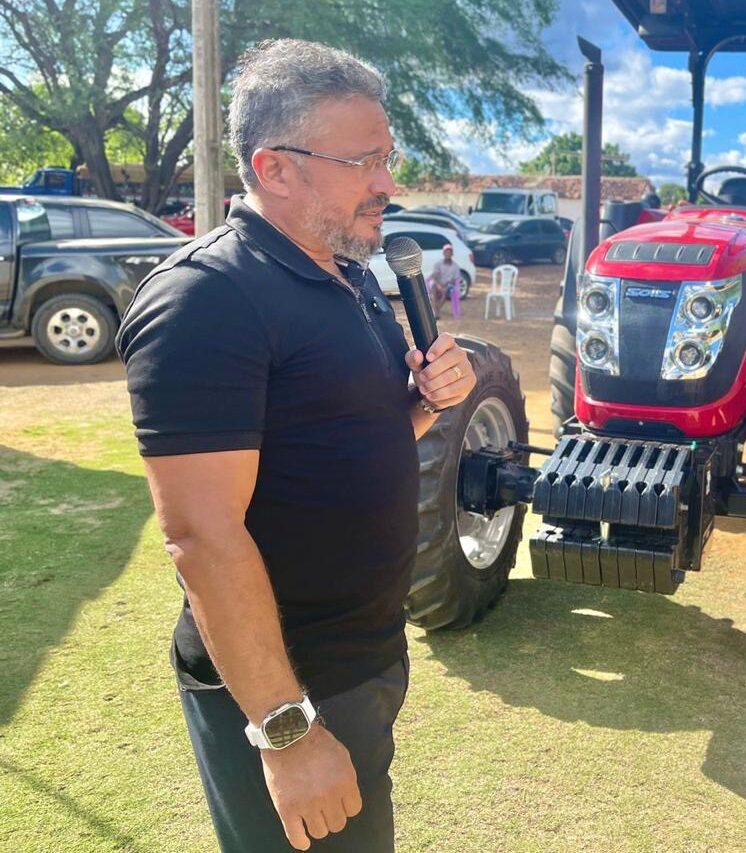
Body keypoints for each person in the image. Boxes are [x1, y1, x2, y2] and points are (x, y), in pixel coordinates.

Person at [116, 40, 477, 852]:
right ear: (274, 168)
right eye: (364, 161)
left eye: (388, 157)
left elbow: (345, 437)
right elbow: (200, 535)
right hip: (288, 687)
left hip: (363, 658)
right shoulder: (207, 299)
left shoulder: (346, 275)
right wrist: (285, 730)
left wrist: (422, 400)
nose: (388, 183)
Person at [429, 242, 464, 319]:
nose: (448, 254)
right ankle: (436, 312)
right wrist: (439, 284)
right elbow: (435, 276)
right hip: (438, 283)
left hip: (448, 285)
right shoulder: (438, 264)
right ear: (444, 253)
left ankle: (436, 311)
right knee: (433, 288)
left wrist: (445, 285)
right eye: (446, 252)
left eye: (450, 253)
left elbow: (455, 279)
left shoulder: (455, 266)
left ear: (452, 254)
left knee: (445, 290)